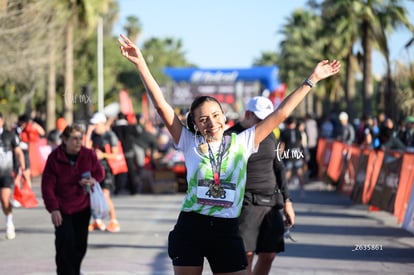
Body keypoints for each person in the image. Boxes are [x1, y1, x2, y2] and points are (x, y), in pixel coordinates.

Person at [118, 33, 340, 275]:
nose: (211, 123)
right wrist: (141, 64)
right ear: (195, 125)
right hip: (192, 226)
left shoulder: (244, 141)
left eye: (215, 115)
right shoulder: (188, 141)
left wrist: (312, 79)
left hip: (227, 230)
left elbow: (281, 114)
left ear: (224, 117)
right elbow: (161, 106)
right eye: (202, 119)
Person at [224, 96, 295, 275]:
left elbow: (279, 167)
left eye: (268, 119)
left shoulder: (271, 135)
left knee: (269, 254)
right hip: (245, 203)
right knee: (245, 255)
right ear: (248, 114)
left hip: (271, 203)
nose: (266, 123)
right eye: (261, 119)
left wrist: (288, 201)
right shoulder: (230, 137)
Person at [41, 124, 105, 274]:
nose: (78, 142)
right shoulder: (55, 158)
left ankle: (74, 271)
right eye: (74, 139)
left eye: (80, 139)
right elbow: (47, 186)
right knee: (65, 246)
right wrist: (54, 209)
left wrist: (92, 179)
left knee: (80, 246)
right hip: (62, 208)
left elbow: (100, 173)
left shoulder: (88, 154)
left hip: (82, 207)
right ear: (64, 139)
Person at [85, 112, 121, 233]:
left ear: (101, 123)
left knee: (105, 196)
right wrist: (89, 133)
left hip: (107, 170)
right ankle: (97, 221)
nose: (94, 127)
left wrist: (103, 155)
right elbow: (85, 150)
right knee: (94, 195)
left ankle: (114, 221)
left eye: (95, 125)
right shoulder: (93, 135)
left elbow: (116, 155)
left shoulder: (110, 135)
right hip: (95, 170)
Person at [0, 112, 25, 240]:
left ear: (1, 121)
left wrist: (23, 169)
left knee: (4, 200)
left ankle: (9, 222)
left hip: (5, 173)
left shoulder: (9, 135)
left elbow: (19, 153)